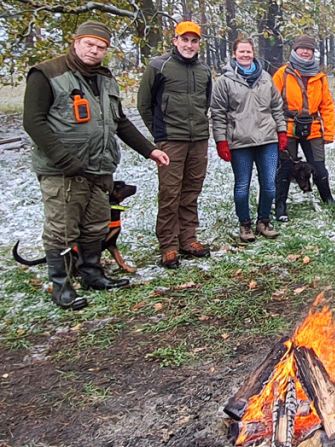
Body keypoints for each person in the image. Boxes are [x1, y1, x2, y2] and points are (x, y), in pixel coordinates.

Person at [22, 20, 170, 310]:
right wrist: (64, 159)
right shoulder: (47, 74)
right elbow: (33, 121)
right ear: (76, 42)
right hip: (63, 171)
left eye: (101, 47)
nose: (94, 50)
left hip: (99, 168)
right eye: (89, 44)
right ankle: (62, 287)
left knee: (95, 227)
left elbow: (120, 122)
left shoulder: (105, 78)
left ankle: (92, 274)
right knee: (62, 229)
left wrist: (149, 150)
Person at [137, 20, 214, 269]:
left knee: (191, 191)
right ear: (175, 40)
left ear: (199, 43)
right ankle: (168, 246)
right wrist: (160, 135)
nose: (189, 45)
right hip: (171, 141)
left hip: (198, 140)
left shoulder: (204, 70)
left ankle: (188, 239)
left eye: (194, 41)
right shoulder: (159, 67)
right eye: (184, 39)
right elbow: (144, 104)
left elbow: (205, 102)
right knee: (170, 193)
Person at [211, 37, 287, 242]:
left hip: (267, 139)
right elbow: (218, 113)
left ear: (254, 54)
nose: (245, 55)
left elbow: (277, 107)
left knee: (269, 184)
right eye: (241, 52)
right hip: (240, 141)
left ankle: (264, 221)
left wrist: (281, 131)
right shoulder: (224, 81)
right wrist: (221, 141)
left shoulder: (265, 78)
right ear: (234, 54)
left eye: (249, 52)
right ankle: (245, 224)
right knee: (242, 186)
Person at [273, 34, 335, 221]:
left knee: (319, 167)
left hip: (313, 127)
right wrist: (277, 130)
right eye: (302, 48)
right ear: (295, 50)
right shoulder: (282, 74)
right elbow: (271, 103)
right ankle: (280, 206)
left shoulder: (320, 77)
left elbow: (327, 106)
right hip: (288, 127)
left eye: (309, 49)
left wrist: (329, 132)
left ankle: (328, 199)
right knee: (284, 168)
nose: (306, 52)